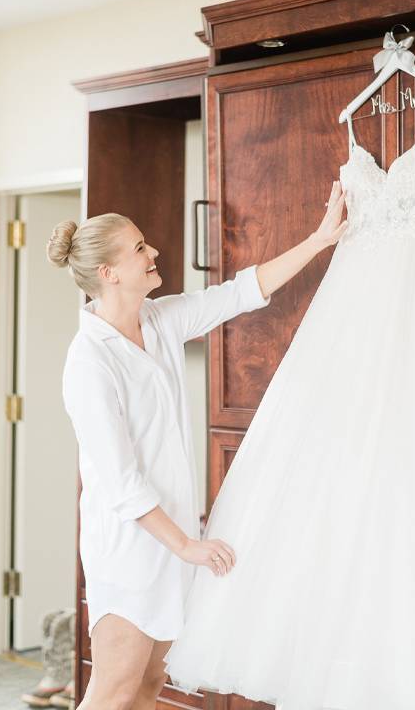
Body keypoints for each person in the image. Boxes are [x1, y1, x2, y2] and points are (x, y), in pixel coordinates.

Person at [46, 181, 347, 710]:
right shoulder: (89, 361)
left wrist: (321, 239)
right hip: (130, 550)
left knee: (146, 687)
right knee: (113, 691)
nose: (154, 252)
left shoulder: (158, 320)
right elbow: (121, 482)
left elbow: (238, 292)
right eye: (139, 248)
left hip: (176, 540)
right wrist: (187, 546)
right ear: (108, 273)